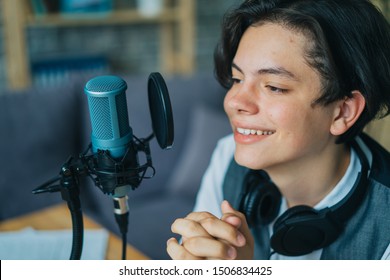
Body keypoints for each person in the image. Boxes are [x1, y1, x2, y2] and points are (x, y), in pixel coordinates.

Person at [166, 0, 390, 260]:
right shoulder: (227, 156)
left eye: (273, 86)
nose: (234, 101)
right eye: (237, 79)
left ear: (343, 111)